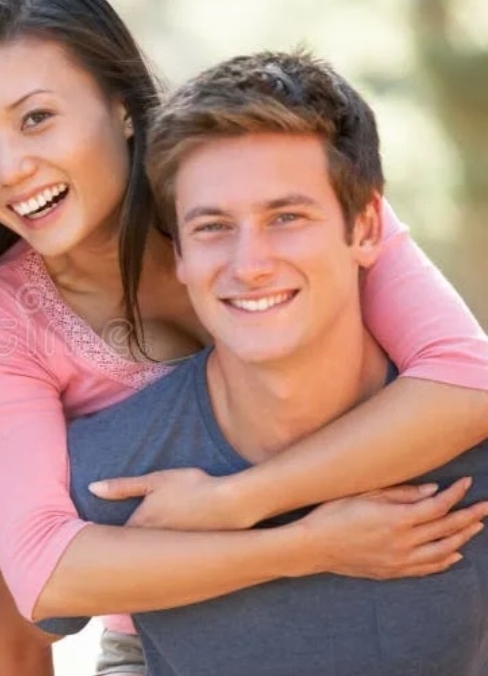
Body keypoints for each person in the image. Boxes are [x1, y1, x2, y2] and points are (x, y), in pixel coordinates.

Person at [0, 0, 488, 674]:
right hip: (171, 617)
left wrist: (234, 501)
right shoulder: (1, 325)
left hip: (371, 555)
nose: (8, 168)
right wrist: (307, 544)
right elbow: (42, 573)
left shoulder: (249, 169)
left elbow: (467, 382)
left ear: (123, 107)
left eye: (36, 118)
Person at [54, 49, 488, 675]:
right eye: (212, 227)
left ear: (366, 228)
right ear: (177, 252)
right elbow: (25, 603)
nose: (249, 262)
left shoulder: (467, 442)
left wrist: (235, 507)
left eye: (286, 217)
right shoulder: (114, 474)